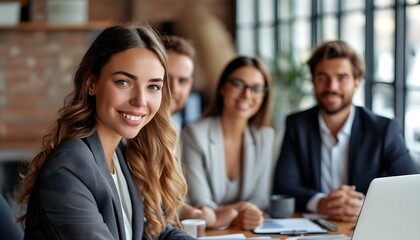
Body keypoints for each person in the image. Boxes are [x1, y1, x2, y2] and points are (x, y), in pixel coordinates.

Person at [15, 24, 194, 240]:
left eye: (153, 86)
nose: (140, 100)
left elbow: (154, 231)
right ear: (92, 83)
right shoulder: (69, 171)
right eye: (123, 82)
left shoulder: (120, 154)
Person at [272, 40, 419, 222]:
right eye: (322, 77)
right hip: (314, 229)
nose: (331, 87)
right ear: (312, 80)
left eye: (342, 78)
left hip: (367, 227)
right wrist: (322, 202)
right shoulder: (297, 125)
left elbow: (412, 189)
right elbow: (283, 186)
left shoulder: (383, 129)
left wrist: (361, 204)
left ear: (357, 82)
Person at [181, 56, 274, 230]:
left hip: (247, 230)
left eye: (256, 89)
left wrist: (246, 213)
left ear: (263, 96)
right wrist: (239, 211)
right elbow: (200, 202)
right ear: (223, 88)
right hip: (207, 233)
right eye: (238, 84)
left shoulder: (265, 136)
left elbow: (261, 198)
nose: (247, 95)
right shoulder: (194, 134)